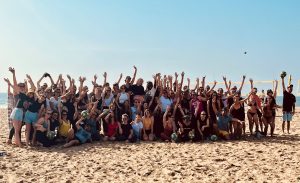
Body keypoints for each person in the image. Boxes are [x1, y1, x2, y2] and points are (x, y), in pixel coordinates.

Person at [8, 67, 27, 147]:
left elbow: (27, 89)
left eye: (23, 86)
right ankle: (19, 144)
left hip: (21, 112)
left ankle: (16, 142)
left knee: (18, 129)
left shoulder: (24, 94)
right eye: (21, 86)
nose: (22, 87)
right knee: (16, 129)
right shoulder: (17, 92)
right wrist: (13, 74)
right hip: (16, 111)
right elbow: (15, 83)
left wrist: (26, 82)